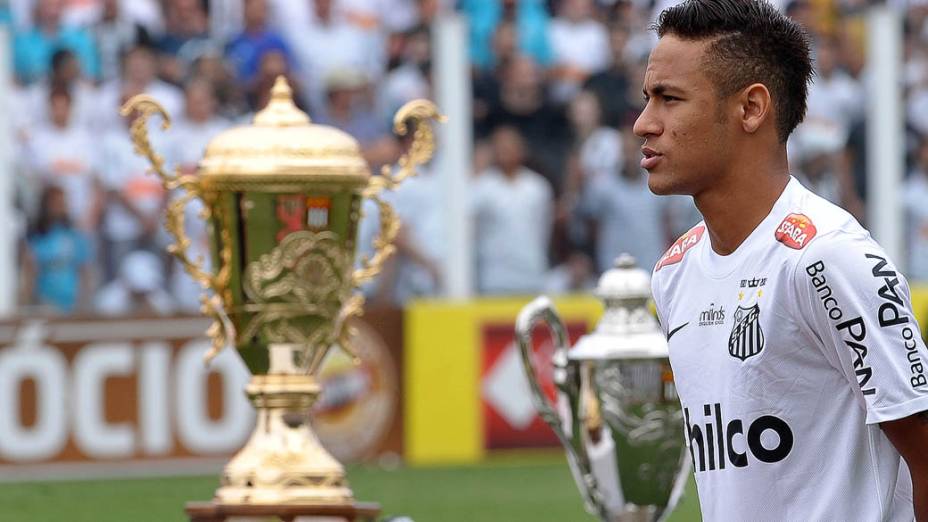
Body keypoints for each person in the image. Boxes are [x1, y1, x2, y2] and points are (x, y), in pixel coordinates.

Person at [636, 1, 927, 520]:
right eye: (647, 99)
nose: (643, 124)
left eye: (669, 99)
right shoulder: (673, 274)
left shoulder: (829, 259)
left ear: (751, 108)